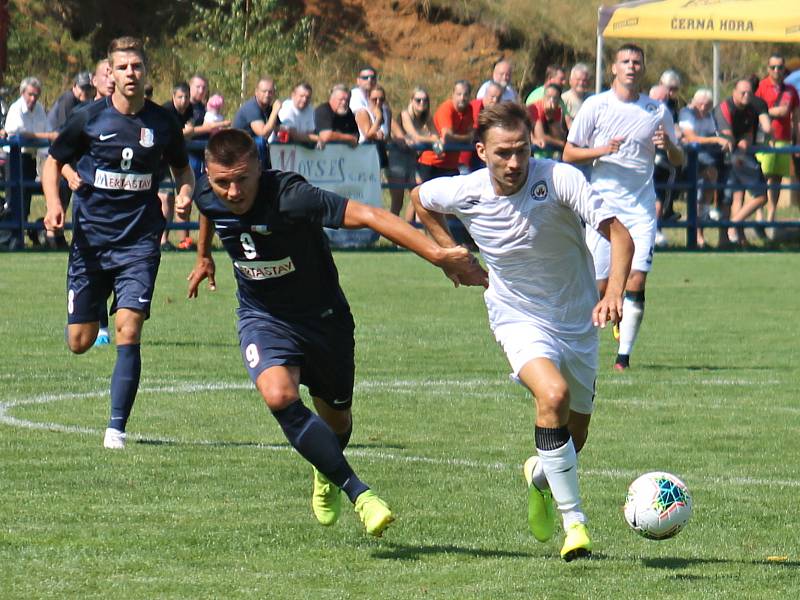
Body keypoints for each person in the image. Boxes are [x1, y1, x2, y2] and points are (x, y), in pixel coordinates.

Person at [186, 128, 485, 537]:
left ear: (259, 166)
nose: (233, 191)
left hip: (324, 319)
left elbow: (370, 215)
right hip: (264, 317)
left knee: (337, 423)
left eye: (242, 179)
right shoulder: (209, 192)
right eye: (223, 182)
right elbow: (208, 208)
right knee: (279, 395)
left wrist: (437, 255)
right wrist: (204, 257)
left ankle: (324, 468)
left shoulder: (291, 196)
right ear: (208, 174)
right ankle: (360, 493)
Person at [411, 102, 633, 561]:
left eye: (522, 151)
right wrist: (450, 253)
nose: (514, 163)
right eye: (503, 153)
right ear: (480, 151)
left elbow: (620, 234)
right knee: (551, 396)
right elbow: (420, 199)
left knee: (574, 438)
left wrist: (614, 292)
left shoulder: (560, 179)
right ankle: (576, 525)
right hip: (516, 316)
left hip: (577, 320)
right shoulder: (466, 190)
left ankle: (540, 477)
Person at [41, 36, 195, 450]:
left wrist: (184, 195)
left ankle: (116, 429)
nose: (130, 73)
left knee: (129, 329)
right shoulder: (89, 118)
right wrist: (55, 203)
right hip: (91, 243)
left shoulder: (164, 123)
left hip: (140, 243)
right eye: (122, 67)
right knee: (80, 341)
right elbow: (52, 160)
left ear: (147, 73)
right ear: (110, 72)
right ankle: (88, 315)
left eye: (137, 67)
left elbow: (183, 171)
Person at [563, 43, 682, 371]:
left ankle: (623, 358)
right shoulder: (595, 106)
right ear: (614, 68)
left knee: (636, 280)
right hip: (602, 208)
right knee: (598, 286)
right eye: (625, 61)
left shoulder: (656, 110)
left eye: (636, 62)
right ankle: (580, 344)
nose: (631, 66)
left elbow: (679, 159)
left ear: (643, 69)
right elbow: (569, 153)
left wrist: (668, 145)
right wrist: (600, 150)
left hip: (641, 208)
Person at [0, 76, 57, 249]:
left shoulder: (39, 109)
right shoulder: (16, 109)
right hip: (14, 159)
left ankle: (19, 238)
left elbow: (45, 131)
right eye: (30, 95)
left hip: (30, 158)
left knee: (26, 198)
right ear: (22, 92)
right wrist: (46, 137)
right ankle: (9, 238)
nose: (33, 99)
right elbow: (19, 134)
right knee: (13, 198)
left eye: (36, 95)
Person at [716, 78, 772, 246]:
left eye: (749, 92)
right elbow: (727, 137)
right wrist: (739, 147)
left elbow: (748, 134)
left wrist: (743, 144)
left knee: (746, 196)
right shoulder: (724, 107)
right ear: (734, 92)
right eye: (743, 93)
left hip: (739, 156)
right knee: (728, 198)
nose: (747, 96)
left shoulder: (751, 108)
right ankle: (726, 236)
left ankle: (734, 231)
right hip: (725, 158)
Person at [45, 71, 95, 249]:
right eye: (82, 88)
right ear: (74, 87)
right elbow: (62, 135)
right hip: (55, 154)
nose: (86, 92)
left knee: (66, 194)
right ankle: (52, 236)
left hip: (69, 156)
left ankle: (58, 236)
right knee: (60, 194)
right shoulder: (68, 100)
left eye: (89, 88)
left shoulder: (86, 107)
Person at [678, 88, 732, 247]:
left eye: (707, 105)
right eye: (701, 104)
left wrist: (721, 142)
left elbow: (714, 134)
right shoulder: (686, 114)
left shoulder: (709, 116)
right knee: (697, 196)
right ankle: (695, 235)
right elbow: (691, 138)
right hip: (690, 161)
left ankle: (701, 233)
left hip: (708, 162)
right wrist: (715, 140)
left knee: (704, 197)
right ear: (694, 101)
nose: (703, 108)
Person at [755, 53, 799, 230]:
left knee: (776, 178)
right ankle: (758, 214)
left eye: (780, 67)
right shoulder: (761, 86)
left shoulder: (791, 90)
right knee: (761, 176)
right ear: (768, 68)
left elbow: (795, 116)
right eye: (773, 67)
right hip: (764, 139)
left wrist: (796, 140)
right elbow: (754, 109)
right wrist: (774, 111)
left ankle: (772, 214)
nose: (777, 71)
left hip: (784, 138)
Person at [159, 81, 194, 251]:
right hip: (158, 159)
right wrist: (183, 134)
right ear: (173, 97)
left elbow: (192, 130)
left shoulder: (190, 110)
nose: (184, 100)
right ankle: (162, 240)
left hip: (173, 157)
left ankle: (167, 240)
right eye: (180, 96)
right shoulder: (165, 111)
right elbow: (166, 135)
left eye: (187, 96)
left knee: (172, 197)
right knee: (165, 196)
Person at [416, 80, 475, 181]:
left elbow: (472, 135)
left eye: (465, 95)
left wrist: (465, 137)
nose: (462, 98)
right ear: (453, 94)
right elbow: (447, 136)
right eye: (459, 94)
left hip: (451, 165)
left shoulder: (469, 109)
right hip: (432, 162)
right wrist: (466, 138)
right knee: (424, 195)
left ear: (470, 96)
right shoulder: (447, 108)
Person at [399, 87, 441, 221]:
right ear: (411, 100)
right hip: (400, 158)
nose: (422, 103)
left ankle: (414, 233)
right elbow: (415, 136)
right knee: (402, 201)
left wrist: (430, 138)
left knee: (417, 196)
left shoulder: (426, 116)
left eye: (425, 100)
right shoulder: (405, 114)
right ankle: (404, 233)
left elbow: (436, 135)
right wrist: (429, 138)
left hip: (415, 158)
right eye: (418, 100)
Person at [233, 77, 282, 165]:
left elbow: (280, 130)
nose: (267, 95)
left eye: (270, 92)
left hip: (253, 151)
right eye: (264, 91)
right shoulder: (251, 108)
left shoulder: (268, 108)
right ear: (256, 92)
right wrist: (275, 111)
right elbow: (263, 134)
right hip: (239, 151)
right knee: (261, 141)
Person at [461, 81, 503, 171]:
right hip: (466, 157)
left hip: (483, 158)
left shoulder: (497, 112)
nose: (495, 101)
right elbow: (474, 132)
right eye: (492, 97)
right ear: (485, 95)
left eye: (498, 98)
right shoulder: (474, 107)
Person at [313, 84, 358, 148]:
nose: (344, 103)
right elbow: (326, 136)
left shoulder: (348, 112)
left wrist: (351, 138)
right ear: (332, 99)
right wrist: (349, 138)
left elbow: (355, 135)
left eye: (347, 100)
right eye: (341, 99)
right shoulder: (323, 110)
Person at [529, 83, 567, 159]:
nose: (551, 100)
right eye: (548, 97)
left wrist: (550, 116)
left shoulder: (557, 110)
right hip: (533, 146)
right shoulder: (535, 108)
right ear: (544, 97)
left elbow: (558, 136)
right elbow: (540, 137)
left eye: (555, 98)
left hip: (549, 150)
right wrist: (561, 144)